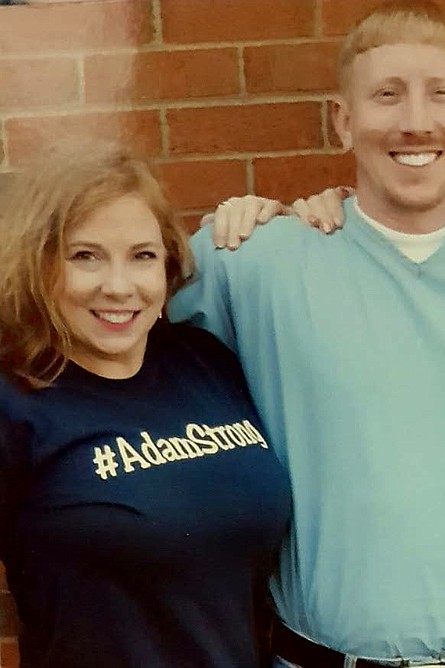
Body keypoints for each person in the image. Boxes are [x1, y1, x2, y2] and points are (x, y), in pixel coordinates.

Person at [170, 2, 445, 666]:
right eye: (386, 96)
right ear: (343, 120)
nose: (415, 121)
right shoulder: (254, 259)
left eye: (441, 95)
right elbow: (103, 316)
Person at [0, 146, 292, 668]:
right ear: (38, 264)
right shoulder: (16, 399)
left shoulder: (206, 361)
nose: (119, 286)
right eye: (84, 255)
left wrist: (292, 227)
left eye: (142, 255)